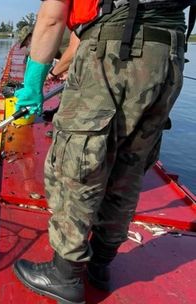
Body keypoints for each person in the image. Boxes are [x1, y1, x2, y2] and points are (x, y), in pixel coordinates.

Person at [12, 1, 193, 303]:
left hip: (116, 54)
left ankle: (64, 275)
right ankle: (100, 264)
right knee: (129, 165)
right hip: (169, 56)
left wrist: (32, 84)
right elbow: (79, 37)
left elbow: (52, 18)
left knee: (80, 162)